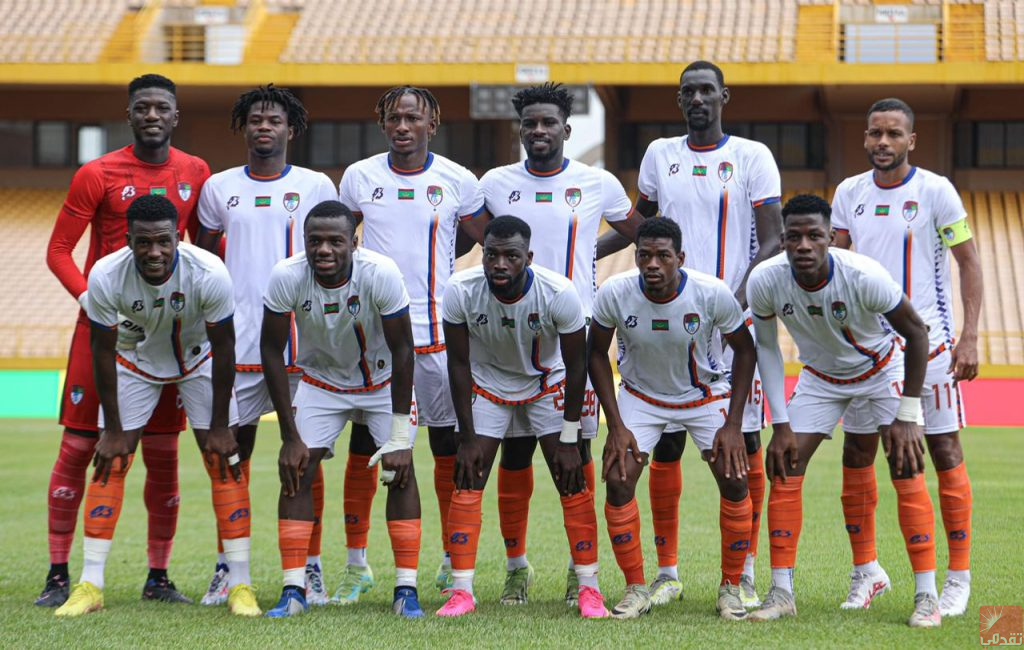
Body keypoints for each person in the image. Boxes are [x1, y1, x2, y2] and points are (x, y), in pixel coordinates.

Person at [596, 60, 781, 607]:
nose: (697, 98)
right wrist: (584, 252)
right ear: (679, 101)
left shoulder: (752, 156)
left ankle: (743, 571)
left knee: (743, 449)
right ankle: (667, 571)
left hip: (729, 316)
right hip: (664, 316)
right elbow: (638, 228)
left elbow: (770, 241)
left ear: (724, 95)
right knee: (666, 449)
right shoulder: (660, 154)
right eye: (687, 92)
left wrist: (733, 306)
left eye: (706, 90)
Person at [39, 73, 209, 607]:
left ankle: (158, 576)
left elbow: (203, 252)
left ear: (175, 115)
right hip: (103, 334)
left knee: (162, 454)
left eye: (162, 107)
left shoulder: (194, 173)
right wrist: (95, 304)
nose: (152, 115)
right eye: (143, 107)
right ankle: (60, 574)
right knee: (78, 448)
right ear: (130, 114)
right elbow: (59, 252)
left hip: (166, 338)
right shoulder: (97, 173)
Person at [478, 82, 643, 606]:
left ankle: (580, 568)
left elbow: (639, 229)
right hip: (510, 334)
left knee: (575, 454)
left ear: (567, 130)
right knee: (515, 454)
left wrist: (591, 251)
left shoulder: (596, 183)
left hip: (576, 336)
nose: (539, 131)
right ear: (519, 130)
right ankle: (516, 568)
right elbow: (476, 237)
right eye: (530, 124)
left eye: (548, 123)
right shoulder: (495, 183)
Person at [54, 195, 258, 617]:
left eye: (163, 242)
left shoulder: (209, 272)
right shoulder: (106, 275)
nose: (154, 252)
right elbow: (102, 351)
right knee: (112, 458)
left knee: (224, 457)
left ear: (177, 239)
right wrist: (111, 428)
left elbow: (225, 349)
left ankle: (241, 585)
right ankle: (91, 584)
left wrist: (220, 426)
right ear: (127, 240)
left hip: (200, 357)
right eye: (143, 243)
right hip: (136, 361)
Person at [747, 194, 941, 628]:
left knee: (905, 466)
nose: (803, 245)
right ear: (782, 240)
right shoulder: (765, 281)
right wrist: (779, 425)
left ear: (831, 238)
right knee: (784, 464)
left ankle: (927, 596)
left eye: (814, 235)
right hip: (820, 377)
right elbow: (766, 348)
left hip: (880, 369)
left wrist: (908, 414)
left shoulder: (863, 275)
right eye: (793, 236)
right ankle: (782, 593)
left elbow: (917, 333)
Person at [831, 98, 982, 617]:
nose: (882, 143)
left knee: (942, 451)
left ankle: (957, 577)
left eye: (894, 134)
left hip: (931, 348)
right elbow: (835, 266)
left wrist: (971, 335)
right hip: (868, 353)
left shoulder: (935, 191)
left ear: (911, 141)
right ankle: (866, 570)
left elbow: (968, 261)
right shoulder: (849, 193)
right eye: (875, 133)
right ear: (865, 137)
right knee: (856, 454)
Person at [337, 85, 487, 600]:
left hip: (438, 340)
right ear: (383, 125)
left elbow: (484, 237)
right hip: (373, 342)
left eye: (413, 118)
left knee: (447, 446)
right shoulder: (359, 177)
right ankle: (356, 565)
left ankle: (450, 558)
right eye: (394, 118)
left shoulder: (457, 180)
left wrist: (445, 250)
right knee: (366, 447)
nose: (403, 126)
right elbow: (336, 239)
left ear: (433, 123)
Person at [195, 84, 337, 606]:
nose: (263, 126)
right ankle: (229, 567)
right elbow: (206, 258)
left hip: (305, 346)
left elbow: (334, 251)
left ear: (291, 128)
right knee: (232, 456)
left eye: (274, 119)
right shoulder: (219, 188)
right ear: (243, 126)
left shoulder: (316, 184)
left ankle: (312, 567)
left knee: (308, 457)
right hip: (236, 346)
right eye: (255, 119)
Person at [437, 215, 607, 618]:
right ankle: (462, 591)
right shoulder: (460, 290)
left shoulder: (558, 292)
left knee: (572, 480)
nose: (499, 264)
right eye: (491, 254)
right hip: (488, 385)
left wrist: (569, 437)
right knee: (467, 478)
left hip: (548, 383)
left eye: (510, 256)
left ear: (527, 257)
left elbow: (577, 364)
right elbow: (458, 364)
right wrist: (466, 435)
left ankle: (588, 586)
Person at [260, 201, 422, 618]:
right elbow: (270, 350)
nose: (324, 250)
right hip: (322, 383)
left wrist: (401, 437)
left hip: (384, 382)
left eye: (335, 241)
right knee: (296, 468)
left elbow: (405, 351)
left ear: (354, 241)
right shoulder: (286, 276)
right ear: (305, 243)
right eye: (315, 241)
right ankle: (293, 589)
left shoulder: (380, 273)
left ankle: (406, 590)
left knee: (398, 469)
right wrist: (289, 436)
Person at [590, 217, 756, 620]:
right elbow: (595, 353)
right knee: (618, 478)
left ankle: (731, 587)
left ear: (679, 258)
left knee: (735, 479)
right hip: (640, 397)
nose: (652, 264)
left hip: (702, 396)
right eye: (644, 255)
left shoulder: (711, 293)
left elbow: (745, 351)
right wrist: (616, 426)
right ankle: (635, 588)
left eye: (663, 256)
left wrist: (733, 426)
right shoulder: (615, 293)